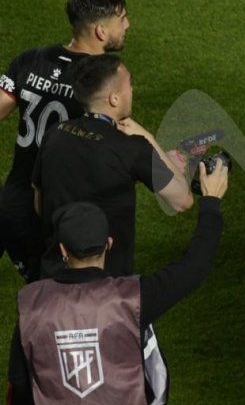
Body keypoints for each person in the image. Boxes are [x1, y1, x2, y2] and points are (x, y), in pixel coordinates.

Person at [10, 156, 227, 405]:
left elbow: (23, 385)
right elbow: (195, 266)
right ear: (108, 245)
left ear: (64, 251)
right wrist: (210, 201)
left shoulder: (32, 305)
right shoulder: (133, 297)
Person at [0, 0, 130, 405]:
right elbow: (120, 136)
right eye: (122, 19)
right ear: (101, 29)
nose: (126, 27)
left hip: (8, 201)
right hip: (48, 219)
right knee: (41, 340)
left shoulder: (30, 59)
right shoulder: (99, 82)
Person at [32, 54, 193, 280]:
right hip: (107, 289)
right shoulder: (132, 148)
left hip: (53, 278)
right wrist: (148, 137)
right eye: (130, 84)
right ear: (114, 99)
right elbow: (182, 200)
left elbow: (39, 202)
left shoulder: (55, 133)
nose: (133, 91)